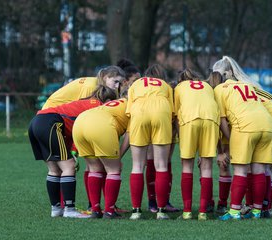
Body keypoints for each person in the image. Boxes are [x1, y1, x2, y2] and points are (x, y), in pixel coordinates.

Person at [41, 66, 127, 213]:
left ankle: (94, 206)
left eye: (120, 83)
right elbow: (87, 115)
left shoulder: (96, 86)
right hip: (55, 119)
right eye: (115, 81)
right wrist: (75, 149)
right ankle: (80, 206)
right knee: (69, 165)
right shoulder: (92, 88)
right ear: (105, 77)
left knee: (88, 164)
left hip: (57, 119)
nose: (117, 86)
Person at [28, 85, 117, 218]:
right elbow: (85, 128)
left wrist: (73, 152)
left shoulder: (83, 102)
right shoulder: (98, 106)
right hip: (51, 123)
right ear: (107, 101)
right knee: (69, 166)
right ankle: (69, 209)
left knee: (54, 170)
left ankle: (56, 209)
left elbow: (72, 132)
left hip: (36, 121)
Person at [213, 57, 272, 220]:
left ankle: (234, 212)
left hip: (246, 126)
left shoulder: (220, 89)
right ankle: (256, 211)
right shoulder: (248, 84)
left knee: (240, 170)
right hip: (267, 126)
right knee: (259, 170)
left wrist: (231, 138)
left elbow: (222, 120)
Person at [126, 64, 174, 220]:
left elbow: (128, 110)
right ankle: (161, 210)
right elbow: (172, 112)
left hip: (139, 111)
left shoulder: (136, 84)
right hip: (161, 110)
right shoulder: (166, 86)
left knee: (137, 166)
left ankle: (136, 211)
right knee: (161, 165)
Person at [72, 96, 130, 219]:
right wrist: (118, 157)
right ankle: (109, 211)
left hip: (80, 121)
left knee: (94, 168)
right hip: (100, 124)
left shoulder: (118, 102)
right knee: (114, 169)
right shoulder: (135, 105)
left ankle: (95, 210)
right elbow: (129, 135)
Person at [174, 69, 220, 221]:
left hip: (190, 120)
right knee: (206, 167)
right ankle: (202, 212)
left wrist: (179, 135)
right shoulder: (207, 86)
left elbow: (175, 114)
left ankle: (187, 212)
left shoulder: (179, 87)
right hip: (211, 120)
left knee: (187, 166)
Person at [206, 71, 232, 214]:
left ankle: (210, 202)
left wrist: (221, 152)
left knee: (205, 165)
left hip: (218, 129)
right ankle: (221, 204)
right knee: (224, 165)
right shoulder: (224, 91)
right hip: (228, 130)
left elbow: (216, 125)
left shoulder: (210, 93)